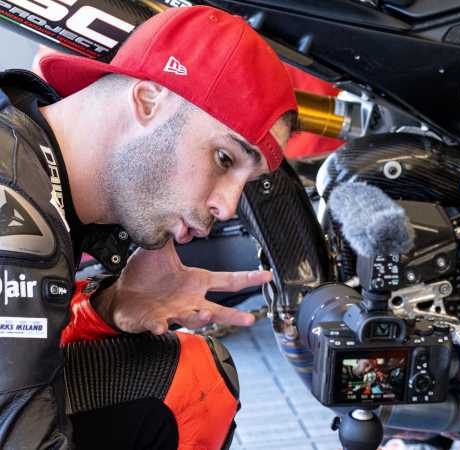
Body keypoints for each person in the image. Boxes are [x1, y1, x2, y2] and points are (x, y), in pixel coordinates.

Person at [0, 5, 296, 450]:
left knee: (188, 374)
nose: (228, 206)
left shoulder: (33, 157)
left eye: (245, 183)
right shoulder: (17, 216)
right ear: (148, 101)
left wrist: (106, 312)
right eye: (223, 159)